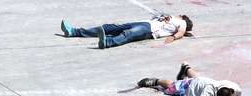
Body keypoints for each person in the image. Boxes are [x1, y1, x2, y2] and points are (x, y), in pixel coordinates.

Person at [138, 62, 242, 96]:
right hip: (188, 87)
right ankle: (156, 81)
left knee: (197, 78)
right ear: (215, 95)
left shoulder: (235, 88)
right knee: (172, 86)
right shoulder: (209, 90)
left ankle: (186, 69)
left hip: (201, 81)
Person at [60, 14, 192, 49]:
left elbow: (181, 32)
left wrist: (174, 38)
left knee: (128, 34)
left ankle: (107, 43)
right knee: (110, 27)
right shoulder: (172, 17)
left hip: (150, 30)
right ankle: (73, 32)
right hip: (145, 22)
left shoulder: (182, 23)